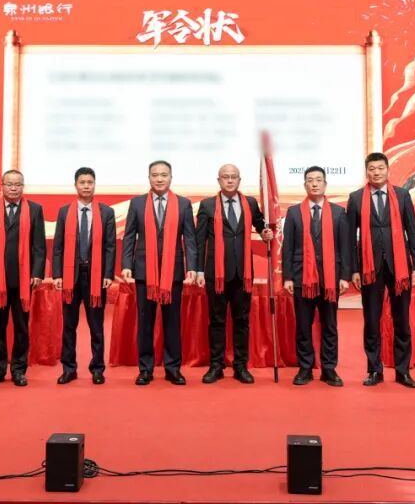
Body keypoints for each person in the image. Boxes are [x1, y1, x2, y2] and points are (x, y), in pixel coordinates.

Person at [347, 152, 415, 389]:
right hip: (370, 268)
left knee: (402, 321)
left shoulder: (402, 195)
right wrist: (353, 270)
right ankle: (374, 370)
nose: (376, 172)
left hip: (399, 267)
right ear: (367, 172)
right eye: (372, 169)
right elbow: (350, 239)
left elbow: (412, 231)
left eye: (380, 168)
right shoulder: (356, 198)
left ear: (387, 170)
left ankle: (402, 371)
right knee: (372, 321)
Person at [121, 160, 198, 385]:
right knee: (145, 323)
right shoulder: (137, 203)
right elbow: (129, 236)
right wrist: (126, 264)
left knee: (172, 323)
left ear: (171, 177)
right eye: (155, 175)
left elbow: (190, 239)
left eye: (164, 175)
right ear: (149, 178)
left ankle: (173, 368)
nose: (159, 179)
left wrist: (192, 267)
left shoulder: (183, 204)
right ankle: (145, 369)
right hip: (144, 271)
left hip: (173, 272)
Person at [195, 164, 273, 384]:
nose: (229, 180)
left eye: (233, 177)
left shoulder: (250, 203)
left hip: (243, 273)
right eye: (225, 177)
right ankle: (216, 366)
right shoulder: (207, 205)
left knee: (242, 321)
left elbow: (260, 224)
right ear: (218, 180)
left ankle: (240, 366)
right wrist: (198, 269)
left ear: (239, 180)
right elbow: (200, 241)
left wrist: (265, 232)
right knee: (217, 321)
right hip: (216, 274)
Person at [0, 170, 46, 388]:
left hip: (24, 280)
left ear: (23, 186)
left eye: (18, 184)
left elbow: (39, 246)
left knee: (21, 328)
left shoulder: (34, 210)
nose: (14, 188)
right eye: (10, 184)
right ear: (2, 186)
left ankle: (19, 370)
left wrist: (37, 273)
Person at [282, 166, 351, 386]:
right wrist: (288, 277)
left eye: (319, 180)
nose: (314, 184)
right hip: (302, 278)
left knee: (330, 325)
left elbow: (345, 247)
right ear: (305, 185)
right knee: (303, 326)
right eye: (310, 180)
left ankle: (329, 369)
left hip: (330, 278)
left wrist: (344, 276)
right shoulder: (294, 212)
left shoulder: (339, 212)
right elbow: (288, 247)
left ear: (325, 184)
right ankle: (305, 368)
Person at [52, 167, 116, 385]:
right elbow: (58, 246)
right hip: (70, 276)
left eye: (90, 182)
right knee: (69, 326)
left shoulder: (106, 212)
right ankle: (69, 369)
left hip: (95, 277)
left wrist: (108, 274)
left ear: (94, 185)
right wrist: (57, 274)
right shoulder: (64, 212)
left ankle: (97, 369)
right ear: (75, 185)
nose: (86, 186)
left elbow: (110, 246)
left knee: (96, 326)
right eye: (82, 182)